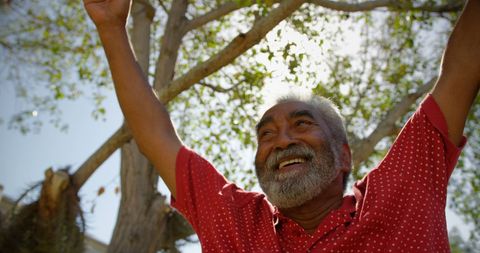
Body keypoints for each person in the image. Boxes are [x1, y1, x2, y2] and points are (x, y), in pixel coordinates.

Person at [83, 0, 479, 252]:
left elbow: (463, 65)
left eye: (302, 124)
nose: (281, 140)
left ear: (344, 155)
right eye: (266, 134)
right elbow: (155, 136)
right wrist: (112, 29)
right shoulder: (233, 222)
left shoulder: (403, 194)